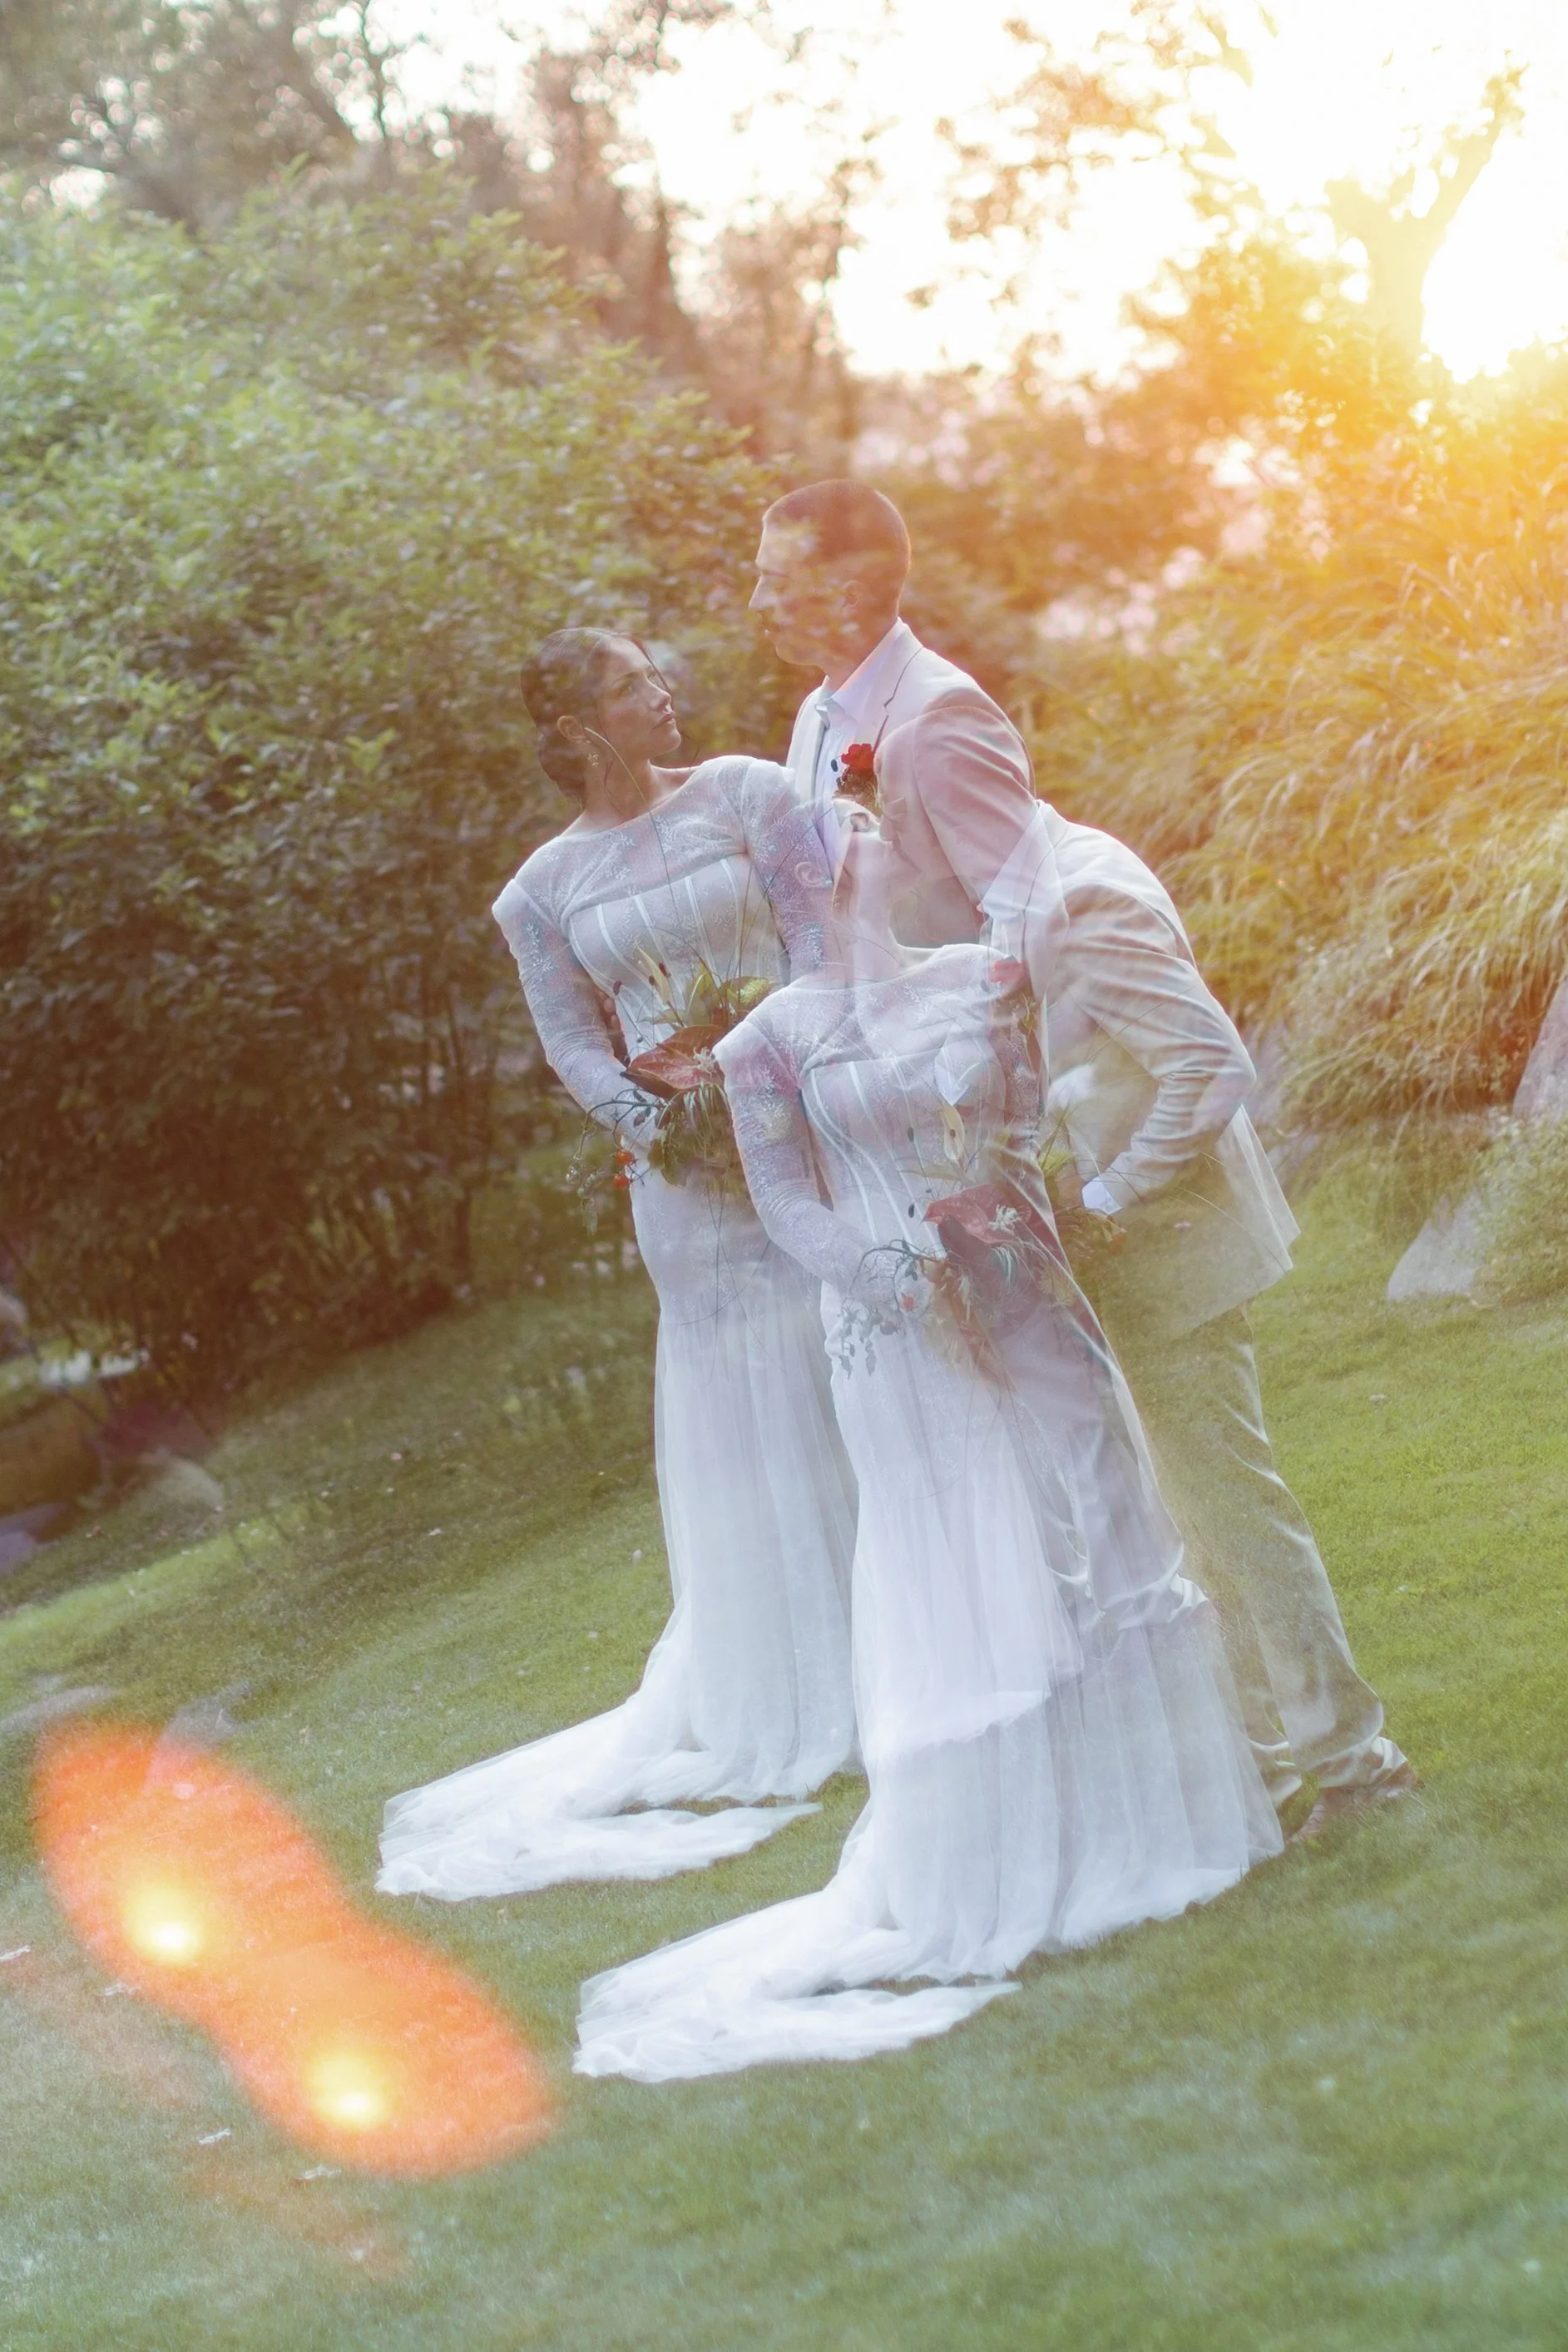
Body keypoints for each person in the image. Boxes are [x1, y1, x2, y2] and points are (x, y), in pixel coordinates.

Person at [574, 807, 1279, 2083]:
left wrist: (1004, 1230)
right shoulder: (764, 1043)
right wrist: (892, 1268)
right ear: (828, 875)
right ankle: (1000, 1845)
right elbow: (790, 1205)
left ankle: (1165, 1815)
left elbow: (1017, 1134)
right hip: (893, 1326)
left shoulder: (977, 984)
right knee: (969, 1555)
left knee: (1103, 1509)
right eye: (860, 833)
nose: (891, 841)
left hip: (1021, 1282)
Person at [865, 571, 1414, 1835]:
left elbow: (1211, 1066)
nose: (914, 840)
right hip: (1114, 1252)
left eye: (923, 812)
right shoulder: (1022, 892)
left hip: (1169, 1244)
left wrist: (1098, 1197)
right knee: (1188, 1514)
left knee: (1230, 1506)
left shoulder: (1082, 890)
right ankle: (1271, 1760)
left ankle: (1355, 1761)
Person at [377, 631, 857, 1901]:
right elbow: (578, 1051)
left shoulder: (754, 792)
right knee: (749, 1412)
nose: (666, 692)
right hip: (689, 1182)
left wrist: (774, 1070)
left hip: (811, 1114)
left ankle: (910, 1635)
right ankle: (793, 1681)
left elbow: (824, 940)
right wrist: (664, 1127)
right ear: (587, 726)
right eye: (637, 683)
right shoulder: (538, 892)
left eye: (658, 677)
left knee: (853, 1357)